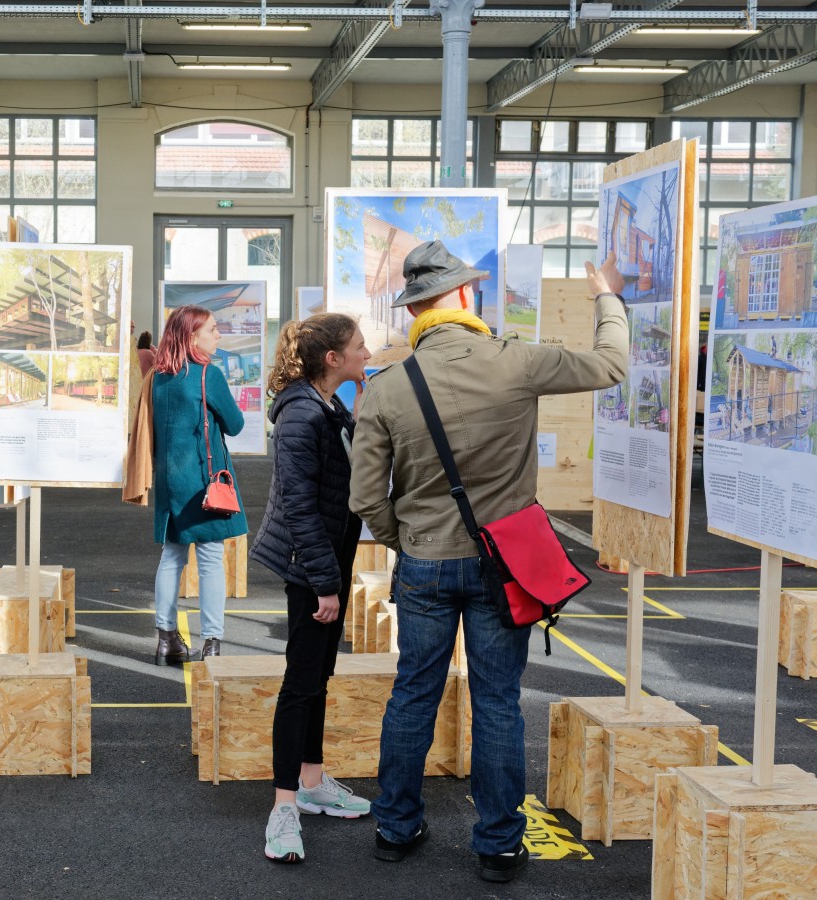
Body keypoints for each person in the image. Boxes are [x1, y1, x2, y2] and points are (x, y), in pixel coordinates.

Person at [350, 241, 628, 883]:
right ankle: (499, 844)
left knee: (413, 692)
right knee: (498, 700)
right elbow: (612, 365)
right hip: (505, 565)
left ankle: (395, 827)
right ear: (466, 296)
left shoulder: (388, 387)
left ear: (415, 307)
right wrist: (606, 297)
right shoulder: (515, 361)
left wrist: (404, 537)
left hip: (423, 561)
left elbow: (365, 495)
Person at [251, 313, 373, 864]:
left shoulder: (326, 402)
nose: (366, 352)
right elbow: (300, 506)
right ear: (332, 359)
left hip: (329, 562)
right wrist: (326, 584)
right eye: (358, 347)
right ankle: (283, 807)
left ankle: (313, 779)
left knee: (319, 676)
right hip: (311, 567)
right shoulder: (302, 414)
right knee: (300, 683)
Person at [148, 305, 246, 663]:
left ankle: (165, 639)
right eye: (213, 329)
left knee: (171, 558)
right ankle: (212, 643)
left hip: (170, 482)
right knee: (210, 562)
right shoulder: (209, 375)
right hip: (205, 482)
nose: (218, 334)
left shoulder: (159, 377)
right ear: (192, 336)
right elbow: (234, 425)